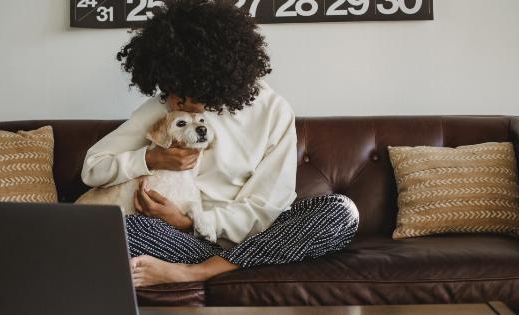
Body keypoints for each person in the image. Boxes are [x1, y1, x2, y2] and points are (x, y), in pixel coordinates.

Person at [81, 0, 359, 287]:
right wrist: (150, 159)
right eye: (173, 87)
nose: (178, 100)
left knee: (340, 211)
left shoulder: (273, 111)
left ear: (218, 81)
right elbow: (93, 165)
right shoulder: (168, 105)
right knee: (117, 230)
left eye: (189, 91)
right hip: (181, 242)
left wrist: (191, 222)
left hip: (250, 239)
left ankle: (198, 272)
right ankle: (225, 265)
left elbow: (267, 206)